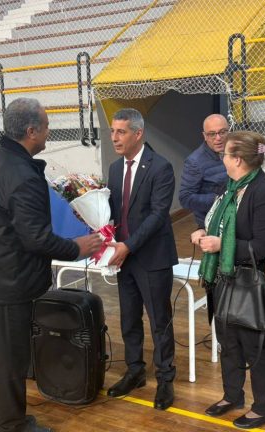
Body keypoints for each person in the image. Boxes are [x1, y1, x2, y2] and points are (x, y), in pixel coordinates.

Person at [0, 97, 102, 432]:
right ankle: (11, 424)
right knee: (10, 360)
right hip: (7, 282)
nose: (49, 131)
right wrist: (76, 247)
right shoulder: (21, 175)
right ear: (31, 131)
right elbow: (36, 239)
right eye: (46, 125)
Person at [191, 131, 265, 429]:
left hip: (250, 281)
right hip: (224, 278)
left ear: (238, 160)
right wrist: (203, 231)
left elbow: (264, 246)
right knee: (228, 342)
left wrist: (222, 245)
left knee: (255, 347)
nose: (221, 157)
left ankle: (264, 408)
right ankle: (232, 395)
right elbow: (216, 221)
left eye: (225, 154)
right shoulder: (230, 186)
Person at [105, 108, 178, 410]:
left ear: (138, 134)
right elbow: (113, 211)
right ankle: (135, 371)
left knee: (160, 321)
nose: (114, 137)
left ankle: (165, 379)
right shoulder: (114, 168)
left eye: (120, 132)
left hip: (152, 257)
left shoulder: (161, 167)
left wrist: (128, 246)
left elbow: (158, 215)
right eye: (112, 131)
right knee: (129, 319)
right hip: (125, 258)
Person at [179, 114, 229, 228]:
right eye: (212, 134)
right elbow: (185, 198)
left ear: (228, 131)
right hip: (213, 224)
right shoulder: (194, 161)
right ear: (205, 136)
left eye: (222, 132)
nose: (218, 138)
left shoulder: (235, 151)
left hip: (235, 220)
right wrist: (218, 199)